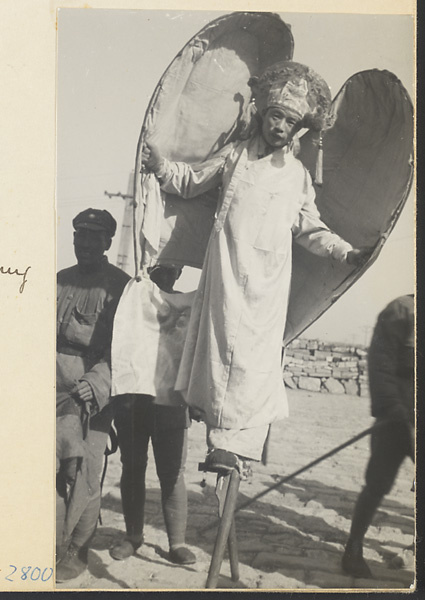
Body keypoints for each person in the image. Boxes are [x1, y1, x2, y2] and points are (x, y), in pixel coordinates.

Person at [141, 61, 371, 469]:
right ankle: (218, 440)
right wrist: (160, 165)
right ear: (263, 115)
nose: (280, 127)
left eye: (290, 122)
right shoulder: (236, 157)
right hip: (227, 268)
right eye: (276, 116)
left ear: (297, 129)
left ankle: (236, 446)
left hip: (268, 280)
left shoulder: (297, 176)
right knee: (218, 348)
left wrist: (345, 252)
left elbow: (311, 229)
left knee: (253, 359)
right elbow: (191, 181)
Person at [56, 208, 130, 582]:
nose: (83, 244)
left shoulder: (121, 287)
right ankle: (52, 542)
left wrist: (97, 382)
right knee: (49, 469)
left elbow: (126, 350)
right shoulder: (58, 280)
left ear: (107, 243)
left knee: (83, 473)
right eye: (78, 237)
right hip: (52, 391)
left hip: (93, 397)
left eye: (92, 238)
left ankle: (77, 549)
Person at [109, 265, 196, 565]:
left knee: (172, 473)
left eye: (172, 267)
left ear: (180, 271)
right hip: (135, 400)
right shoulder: (131, 300)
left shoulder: (190, 306)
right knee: (132, 467)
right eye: (159, 266)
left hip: (172, 402)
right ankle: (133, 536)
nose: (166, 273)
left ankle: (177, 543)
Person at [342, 294, 414, 578]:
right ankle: (353, 548)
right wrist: (392, 408)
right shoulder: (401, 311)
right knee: (377, 484)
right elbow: (381, 365)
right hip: (397, 418)